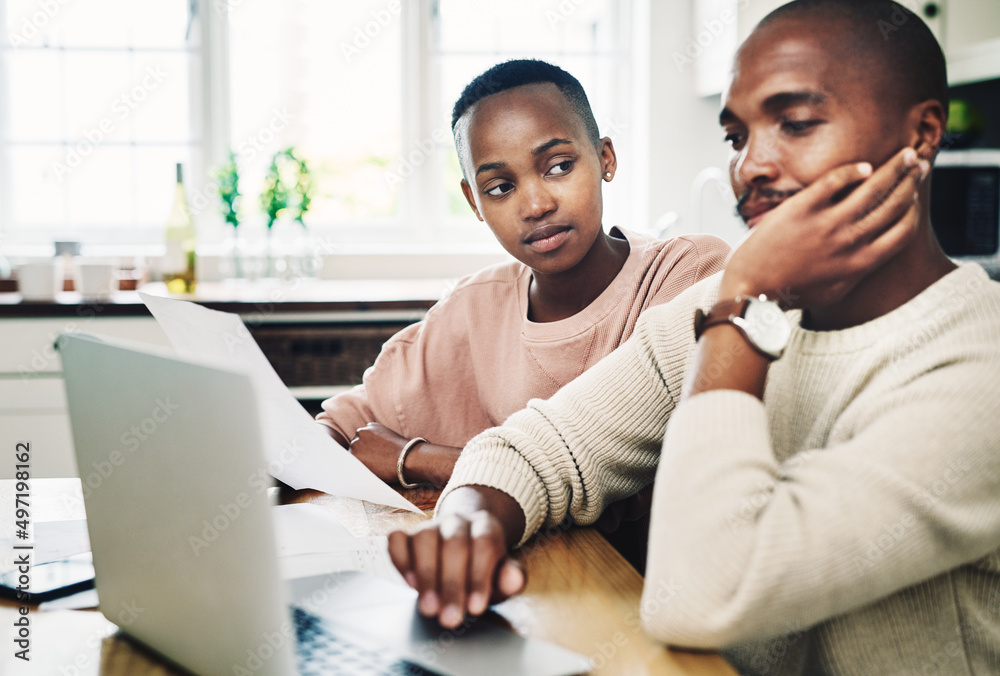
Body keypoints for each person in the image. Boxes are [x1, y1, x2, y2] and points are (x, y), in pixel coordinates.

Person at [386, 2, 1000, 673]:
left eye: (795, 123)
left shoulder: (978, 370)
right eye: (737, 137)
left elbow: (702, 593)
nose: (751, 167)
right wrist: (468, 520)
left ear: (923, 134)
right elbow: (540, 447)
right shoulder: (722, 307)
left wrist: (740, 309)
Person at [316, 59, 728, 492]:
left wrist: (414, 458)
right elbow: (341, 428)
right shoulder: (474, 306)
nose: (535, 205)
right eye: (499, 188)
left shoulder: (688, 274)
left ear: (605, 158)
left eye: (559, 166)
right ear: (474, 202)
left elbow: (596, 459)